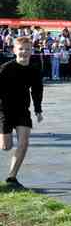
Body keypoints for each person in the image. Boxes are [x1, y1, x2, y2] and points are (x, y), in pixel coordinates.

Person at [0, 37, 44, 188]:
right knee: (6, 147)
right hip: (4, 110)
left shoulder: (34, 70)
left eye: (27, 49)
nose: (24, 52)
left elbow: (37, 90)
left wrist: (38, 110)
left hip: (22, 110)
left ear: (31, 51)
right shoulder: (5, 68)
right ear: (14, 51)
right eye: (21, 49)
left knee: (24, 143)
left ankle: (12, 178)